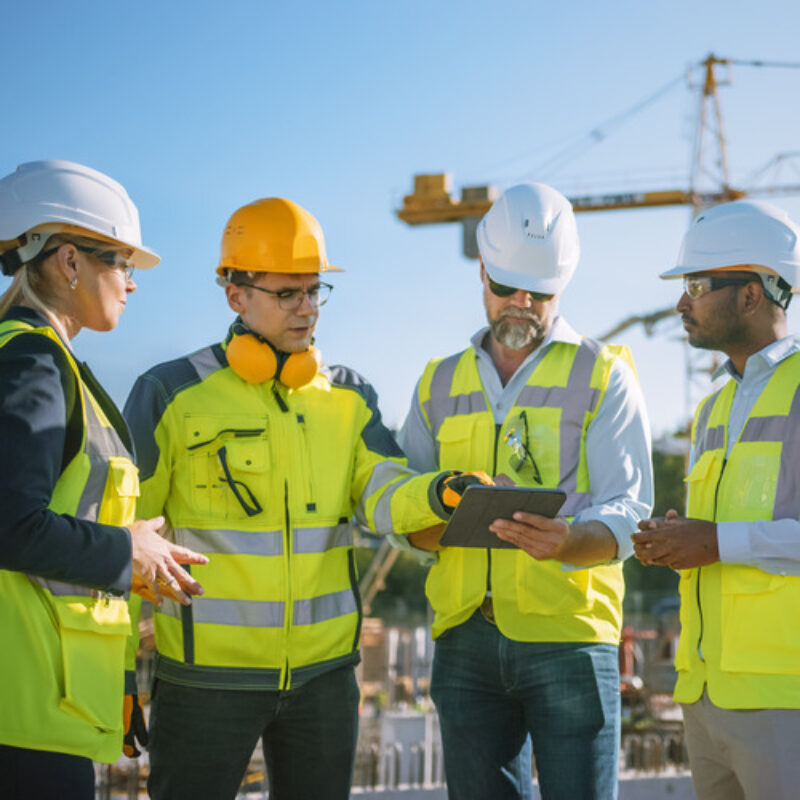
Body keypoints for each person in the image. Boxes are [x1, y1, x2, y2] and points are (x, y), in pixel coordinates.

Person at [123, 196, 460, 800]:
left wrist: (439, 493)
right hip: (205, 682)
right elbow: (123, 535)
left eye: (315, 291)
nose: (308, 309)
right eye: (289, 294)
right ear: (236, 295)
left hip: (324, 682)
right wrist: (122, 669)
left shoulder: (349, 398)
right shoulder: (169, 394)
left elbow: (383, 492)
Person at [394, 182, 653, 800]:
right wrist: (435, 510)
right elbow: (401, 496)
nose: (521, 304)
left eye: (538, 293)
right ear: (481, 269)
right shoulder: (438, 382)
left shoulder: (604, 374)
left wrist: (572, 539)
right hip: (464, 638)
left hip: (569, 636)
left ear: (561, 286)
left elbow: (630, 508)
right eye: (506, 287)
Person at [0, 160, 208, 800]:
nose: (131, 283)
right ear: (67, 262)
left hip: (40, 707)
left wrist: (126, 542)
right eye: (120, 262)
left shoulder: (40, 358)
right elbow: (10, 523)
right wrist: (127, 549)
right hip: (25, 713)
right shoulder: (33, 361)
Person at [633, 199, 800, 800]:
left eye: (696, 285)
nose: (682, 304)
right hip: (705, 698)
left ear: (751, 294)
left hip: (785, 703)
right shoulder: (712, 408)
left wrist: (715, 541)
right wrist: (679, 537)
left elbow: (725, 539)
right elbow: (723, 531)